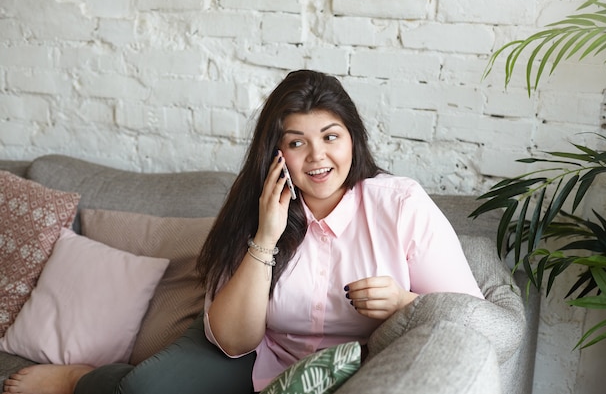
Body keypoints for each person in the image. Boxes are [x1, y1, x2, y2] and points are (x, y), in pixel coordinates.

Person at [2, 69, 483, 394]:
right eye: (297, 143)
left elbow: (469, 318)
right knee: (140, 390)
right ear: (276, 154)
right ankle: (84, 380)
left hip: (353, 367)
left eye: (331, 137)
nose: (317, 158)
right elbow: (234, 340)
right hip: (259, 352)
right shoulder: (256, 208)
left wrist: (404, 303)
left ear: (352, 140)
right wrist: (267, 237)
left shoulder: (399, 204)